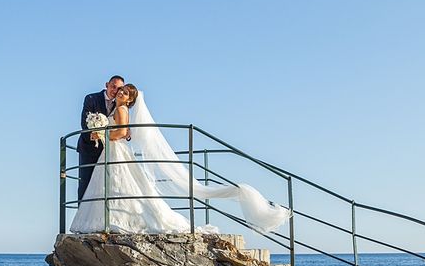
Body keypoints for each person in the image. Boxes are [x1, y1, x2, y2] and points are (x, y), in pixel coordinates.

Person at [70, 85, 291, 235]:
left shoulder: (121, 109)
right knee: (113, 185)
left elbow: (121, 133)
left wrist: (103, 133)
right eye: (121, 91)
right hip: (113, 152)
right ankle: (104, 219)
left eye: (126, 93)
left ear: (130, 99)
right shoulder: (119, 107)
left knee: (119, 184)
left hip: (115, 149)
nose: (121, 94)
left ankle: (116, 220)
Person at [77, 75, 125, 201]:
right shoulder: (91, 98)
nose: (115, 90)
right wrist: (92, 135)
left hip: (109, 151)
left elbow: (123, 126)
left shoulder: (120, 103)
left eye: (119, 88)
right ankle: (82, 216)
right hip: (89, 149)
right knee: (85, 184)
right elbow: (84, 122)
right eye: (113, 86)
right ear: (107, 85)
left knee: (106, 185)